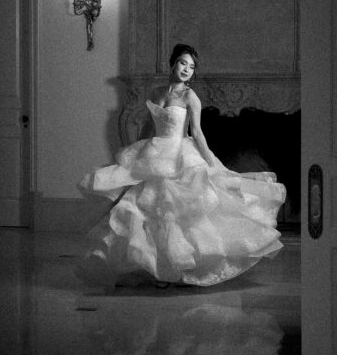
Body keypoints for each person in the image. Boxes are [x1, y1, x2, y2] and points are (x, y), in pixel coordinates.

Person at [77, 43, 286, 287]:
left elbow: (197, 133)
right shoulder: (155, 93)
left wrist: (213, 164)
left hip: (179, 154)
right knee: (143, 210)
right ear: (172, 63)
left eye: (192, 66)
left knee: (173, 212)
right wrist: (135, 155)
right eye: (183, 63)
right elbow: (147, 127)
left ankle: (174, 269)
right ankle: (155, 268)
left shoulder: (190, 97)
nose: (187, 69)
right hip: (154, 153)